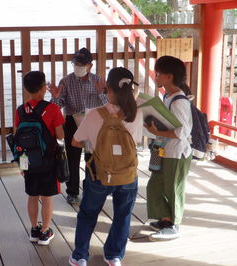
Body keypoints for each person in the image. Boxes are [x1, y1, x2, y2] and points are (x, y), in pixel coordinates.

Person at [69, 67, 143, 266]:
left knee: (88, 213)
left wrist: (93, 141)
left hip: (99, 174)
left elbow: (75, 142)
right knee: (123, 214)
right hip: (128, 174)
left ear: (108, 88)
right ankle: (114, 255)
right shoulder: (137, 114)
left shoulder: (94, 114)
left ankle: (79, 256)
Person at [49, 47, 107, 204]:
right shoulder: (66, 81)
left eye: (82, 64)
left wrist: (101, 93)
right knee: (72, 158)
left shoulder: (99, 81)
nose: (78, 67)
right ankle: (72, 191)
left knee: (92, 157)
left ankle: (91, 188)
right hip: (72, 122)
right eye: (75, 63)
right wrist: (55, 97)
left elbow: (108, 106)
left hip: (93, 122)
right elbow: (56, 106)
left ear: (90, 65)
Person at [145, 56, 193, 241]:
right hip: (162, 149)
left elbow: (181, 132)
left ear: (168, 76)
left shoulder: (179, 101)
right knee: (155, 185)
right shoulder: (167, 96)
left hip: (176, 152)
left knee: (173, 188)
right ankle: (165, 219)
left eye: (158, 73)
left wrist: (157, 132)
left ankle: (174, 225)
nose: (155, 76)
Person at [14, 71, 65, 245]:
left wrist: (21, 165)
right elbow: (60, 135)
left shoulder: (20, 110)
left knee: (32, 195)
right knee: (47, 196)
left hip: (27, 161)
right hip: (47, 160)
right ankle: (45, 232)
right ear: (44, 87)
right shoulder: (52, 109)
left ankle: (34, 229)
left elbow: (17, 138)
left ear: (26, 89)